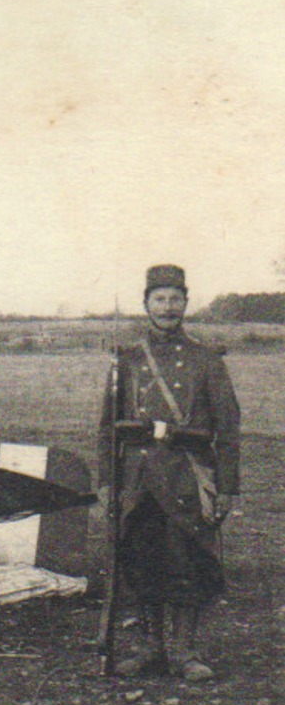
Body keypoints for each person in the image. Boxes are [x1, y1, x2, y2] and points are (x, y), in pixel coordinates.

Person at [100, 264, 241, 681]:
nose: (167, 307)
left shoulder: (206, 359)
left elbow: (229, 429)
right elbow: (107, 427)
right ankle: (150, 648)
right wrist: (108, 481)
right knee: (142, 559)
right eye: (159, 299)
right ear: (146, 304)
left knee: (188, 560)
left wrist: (227, 488)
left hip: (186, 473)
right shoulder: (126, 359)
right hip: (139, 477)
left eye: (175, 299)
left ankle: (184, 651)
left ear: (185, 303)